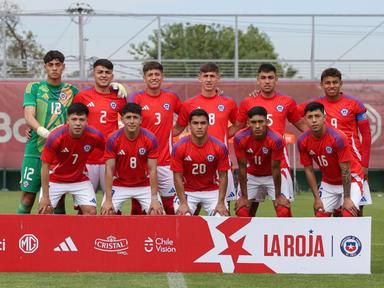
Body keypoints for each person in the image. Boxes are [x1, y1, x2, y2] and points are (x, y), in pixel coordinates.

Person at [18, 51, 127, 214]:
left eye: (58, 65)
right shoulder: (34, 87)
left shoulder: (73, 92)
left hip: (63, 151)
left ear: (63, 67)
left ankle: (61, 236)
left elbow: (85, 109)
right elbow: (29, 115)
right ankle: (21, 237)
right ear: (45, 67)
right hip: (37, 146)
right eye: (50, 65)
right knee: (28, 196)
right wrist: (40, 130)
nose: (54, 68)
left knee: (60, 199)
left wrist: (115, 86)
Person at [233, 63, 306, 216]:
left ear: (276, 79)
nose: (267, 81)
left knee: (283, 210)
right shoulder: (248, 102)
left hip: (278, 164)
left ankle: (286, 239)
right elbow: (237, 128)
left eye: (270, 78)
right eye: (263, 78)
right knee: (244, 211)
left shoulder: (287, 101)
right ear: (258, 80)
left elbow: (302, 125)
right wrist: (211, 137)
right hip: (253, 165)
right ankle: (248, 240)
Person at [299, 68, 372, 215]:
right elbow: (291, 112)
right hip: (331, 159)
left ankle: (356, 237)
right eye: (327, 83)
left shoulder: (354, 104)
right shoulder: (317, 105)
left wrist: (364, 163)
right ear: (322, 85)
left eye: (335, 82)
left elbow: (366, 134)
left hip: (354, 160)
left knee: (356, 207)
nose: (331, 86)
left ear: (341, 84)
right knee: (336, 209)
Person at [173, 62, 239, 209]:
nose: (209, 80)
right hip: (193, 161)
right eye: (206, 76)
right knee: (189, 210)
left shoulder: (228, 103)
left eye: (212, 76)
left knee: (222, 208)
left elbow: (239, 124)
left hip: (219, 159)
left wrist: (224, 134)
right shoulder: (189, 104)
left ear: (218, 78)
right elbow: (178, 128)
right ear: (200, 78)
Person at [128, 61, 182, 215]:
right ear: (144, 78)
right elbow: (129, 121)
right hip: (142, 161)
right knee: (138, 206)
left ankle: (171, 238)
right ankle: (137, 237)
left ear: (162, 77)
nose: (154, 77)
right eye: (150, 75)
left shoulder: (171, 97)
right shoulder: (137, 98)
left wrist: (174, 131)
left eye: (157, 74)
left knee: (169, 205)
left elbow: (186, 115)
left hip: (166, 161)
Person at [297, 102, 364, 217]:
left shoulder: (338, 137)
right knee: (320, 215)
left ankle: (341, 209)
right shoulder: (302, 141)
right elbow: (309, 170)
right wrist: (316, 198)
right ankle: (337, 209)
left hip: (352, 179)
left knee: (348, 214)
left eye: (317, 116)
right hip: (328, 182)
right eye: (310, 117)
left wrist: (347, 198)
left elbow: (346, 170)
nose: (314, 120)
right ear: (305, 120)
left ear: (324, 117)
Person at [38, 103, 105, 215]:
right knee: (45, 210)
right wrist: (45, 197)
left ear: (87, 121)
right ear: (68, 120)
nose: (78, 123)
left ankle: (81, 233)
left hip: (79, 179)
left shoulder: (95, 136)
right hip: (55, 179)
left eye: (81, 120)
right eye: (74, 119)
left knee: (91, 212)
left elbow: (111, 151)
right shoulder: (55, 137)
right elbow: (45, 167)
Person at [73, 59, 126, 194]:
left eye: (107, 72)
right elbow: (72, 123)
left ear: (112, 76)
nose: (103, 75)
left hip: (110, 158)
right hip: (87, 157)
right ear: (93, 74)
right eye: (100, 72)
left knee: (111, 205)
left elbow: (130, 121)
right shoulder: (82, 96)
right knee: (84, 206)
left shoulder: (119, 97)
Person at [101, 103, 163, 215]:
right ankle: (115, 233)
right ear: (123, 119)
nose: (132, 121)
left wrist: (154, 199)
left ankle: (149, 233)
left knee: (157, 212)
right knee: (106, 212)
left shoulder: (150, 138)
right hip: (119, 184)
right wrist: (108, 200)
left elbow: (153, 170)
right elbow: (109, 170)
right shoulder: (113, 139)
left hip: (144, 184)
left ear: (141, 120)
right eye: (128, 117)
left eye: (135, 117)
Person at [234, 106, 291, 217]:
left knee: (283, 211)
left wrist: (278, 196)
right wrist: (244, 197)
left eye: (261, 122)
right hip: (251, 175)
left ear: (267, 122)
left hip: (272, 175)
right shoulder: (239, 138)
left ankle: (286, 233)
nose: (257, 126)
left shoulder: (276, 139)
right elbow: (242, 168)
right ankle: (249, 234)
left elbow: (275, 168)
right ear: (248, 123)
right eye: (253, 122)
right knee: (242, 211)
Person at [172, 108, 230, 216]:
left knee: (221, 217)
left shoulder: (219, 146)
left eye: (203, 123)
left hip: (212, 191)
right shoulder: (179, 146)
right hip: (188, 191)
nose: (199, 127)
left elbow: (223, 176)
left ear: (208, 124)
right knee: (183, 216)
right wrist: (183, 203)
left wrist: (221, 202)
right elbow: (177, 177)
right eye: (195, 123)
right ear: (189, 125)